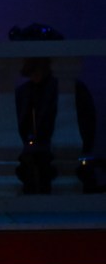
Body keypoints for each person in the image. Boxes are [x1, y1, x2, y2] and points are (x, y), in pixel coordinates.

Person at [9, 23, 98, 194]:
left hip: (63, 180)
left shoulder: (73, 91)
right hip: (31, 181)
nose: (18, 58)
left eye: (24, 52)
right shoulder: (22, 94)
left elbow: (85, 139)